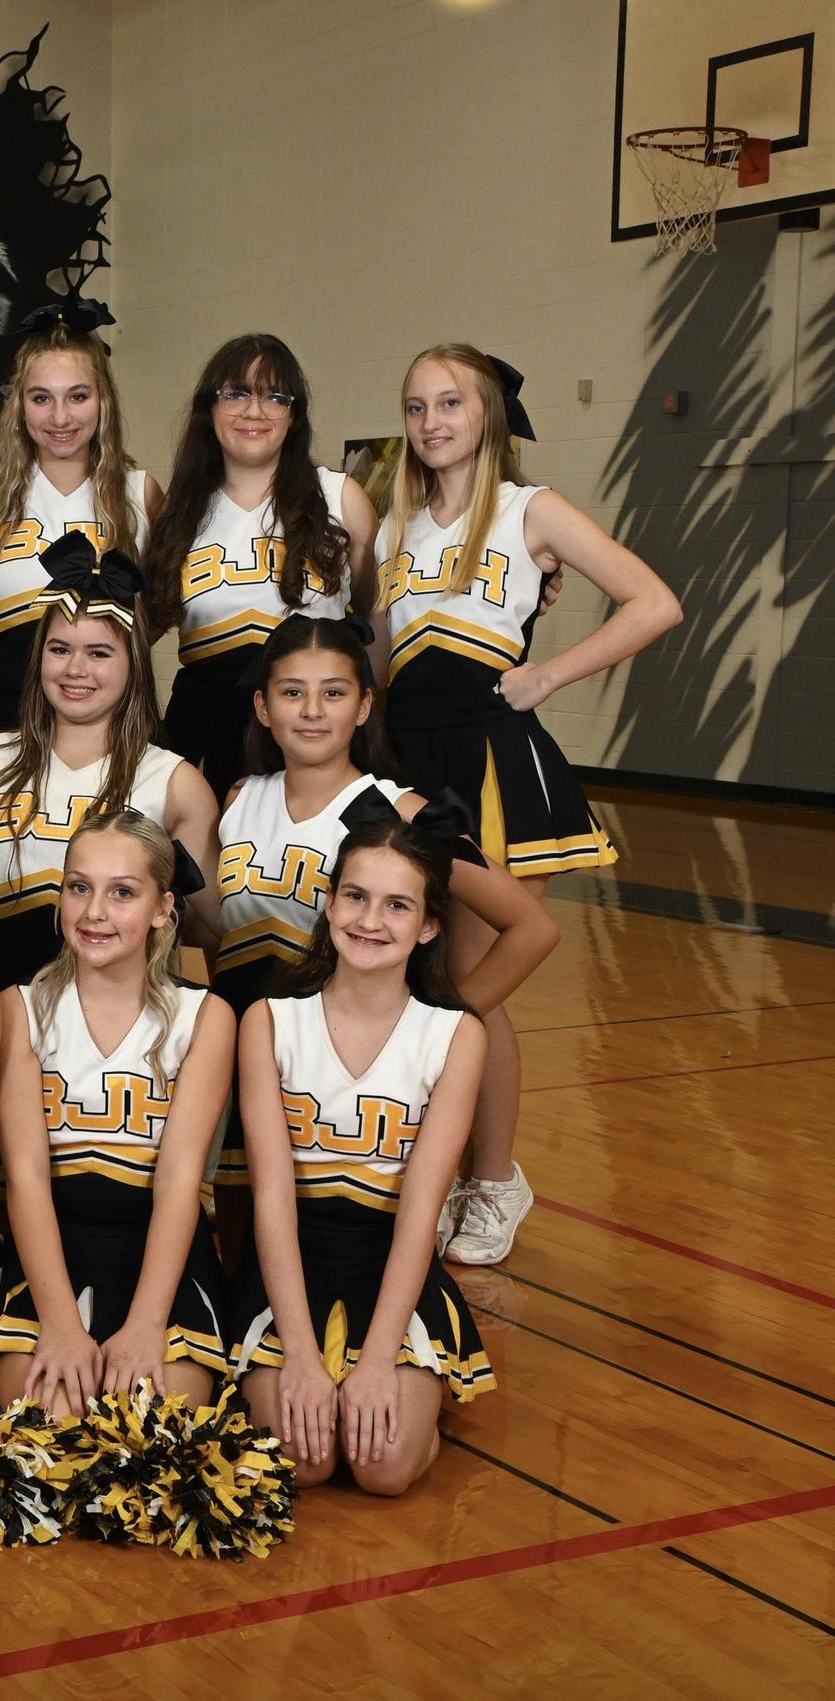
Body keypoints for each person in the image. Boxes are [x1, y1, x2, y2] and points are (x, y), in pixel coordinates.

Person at [378, 342, 681, 1262]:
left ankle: (494, 1180)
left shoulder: (527, 509)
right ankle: (435, 1170)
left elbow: (654, 601)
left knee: (475, 988)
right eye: (416, 405)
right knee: (423, 983)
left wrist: (547, 673)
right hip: (408, 762)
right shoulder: (396, 527)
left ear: (486, 416)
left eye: (451, 403)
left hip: (494, 766)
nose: (432, 422)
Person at [209, 615, 558, 1247]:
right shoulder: (237, 797)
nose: (312, 711)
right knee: (242, 1252)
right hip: (247, 1060)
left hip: (340, 1077)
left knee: (338, 1250)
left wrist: (450, 1025)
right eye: (292, 692)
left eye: (334, 693)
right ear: (262, 705)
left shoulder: (400, 811)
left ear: (365, 704)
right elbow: (223, 934)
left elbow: (531, 927)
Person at [230, 817, 496, 1496]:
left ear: (429, 925)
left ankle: (413, 1401)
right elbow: (271, 1199)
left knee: (383, 1468)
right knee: (305, 1461)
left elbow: (419, 1213)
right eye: (355, 896)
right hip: (291, 1261)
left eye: (397, 904)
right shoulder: (269, 1020)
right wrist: (298, 1353)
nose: (370, 920)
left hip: (392, 1265)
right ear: (328, 902)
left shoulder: (454, 1035)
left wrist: (378, 1359)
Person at [0, 811, 235, 1415]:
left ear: (162, 908)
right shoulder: (20, 1008)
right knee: (41, 1427)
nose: (94, 912)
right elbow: (26, 1177)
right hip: (52, 1254)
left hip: (161, 1256)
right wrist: (61, 1323)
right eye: (79, 887)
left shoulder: (203, 1017)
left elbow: (179, 1182)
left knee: (153, 1426)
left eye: (122, 892)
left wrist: (149, 1323)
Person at [0, 536, 221, 989]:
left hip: (122, 1021)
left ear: (134, 664)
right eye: (59, 649)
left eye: (99, 653)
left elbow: (214, 927)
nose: (75, 669)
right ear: (38, 657)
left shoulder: (174, 782)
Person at [146, 333, 377, 801]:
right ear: (208, 408)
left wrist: (367, 713)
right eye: (236, 394)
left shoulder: (339, 497)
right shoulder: (179, 511)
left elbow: (375, 612)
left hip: (311, 727)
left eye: (274, 396)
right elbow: (140, 628)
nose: (254, 411)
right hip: (203, 724)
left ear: (294, 415)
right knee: (201, 867)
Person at [0, 303, 160, 734]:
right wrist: (20, 645)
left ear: (103, 398)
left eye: (78, 396)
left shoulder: (138, 492)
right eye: (41, 398)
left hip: (110, 721)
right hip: (3, 710)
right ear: (19, 405)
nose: (60, 418)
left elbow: (161, 606)